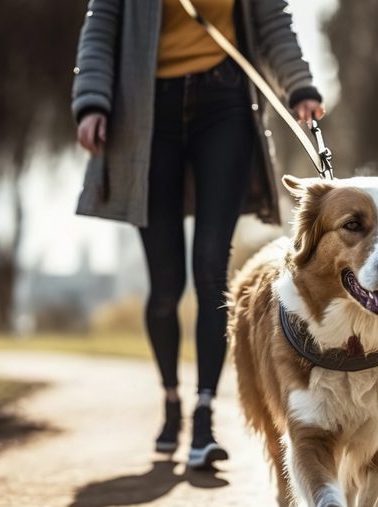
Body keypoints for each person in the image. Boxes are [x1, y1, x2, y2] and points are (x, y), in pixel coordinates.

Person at [72, 0, 324, 468]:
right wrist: (91, 100)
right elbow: (101, 25)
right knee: (166, 286)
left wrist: (299, 84)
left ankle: (204, 415)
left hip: (223, 103)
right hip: (145, 112)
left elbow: (272, 21)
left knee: (211, 269)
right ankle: (171, 401)